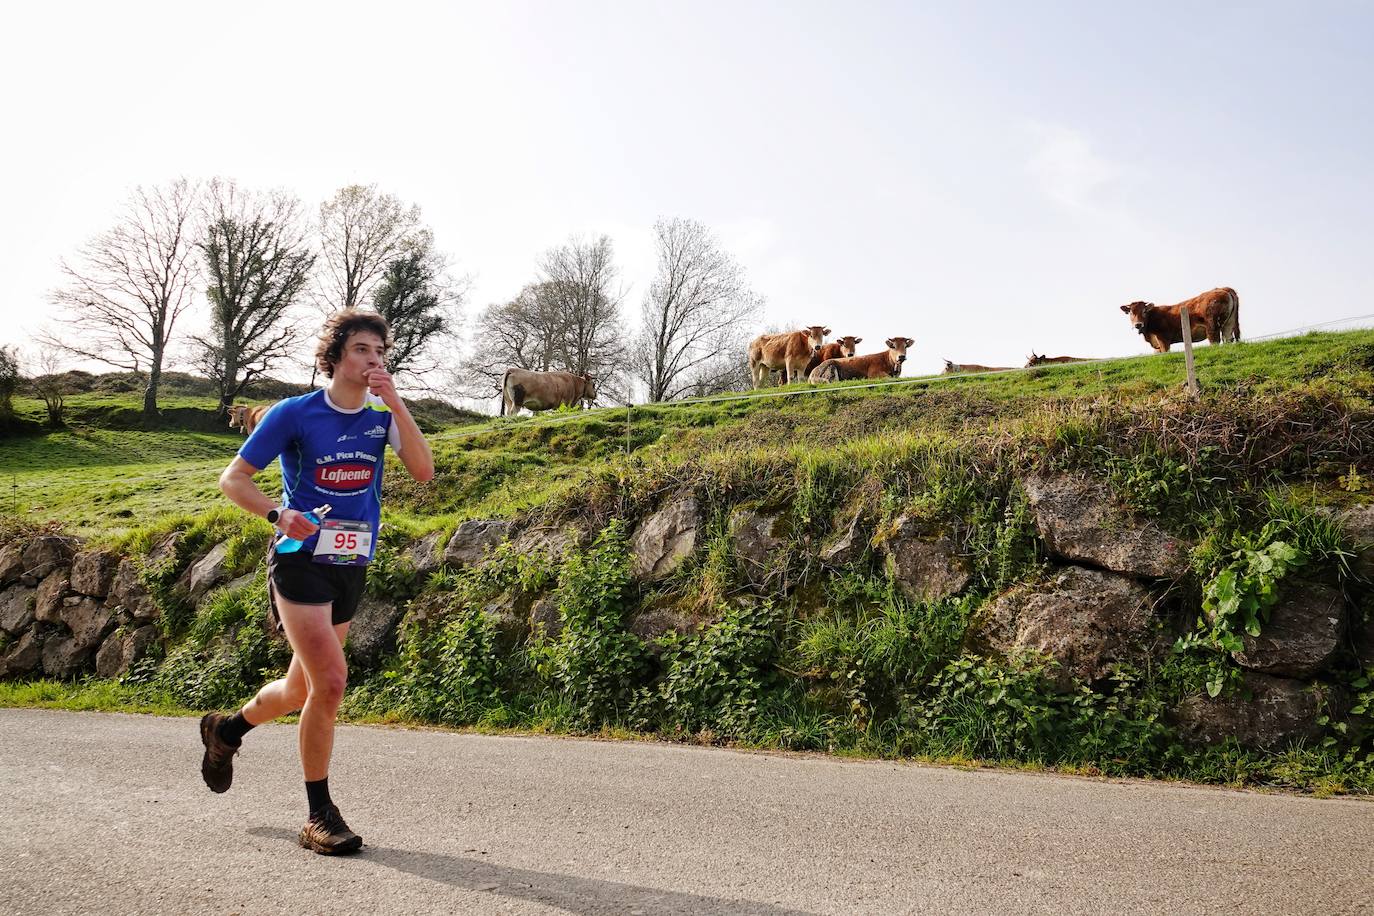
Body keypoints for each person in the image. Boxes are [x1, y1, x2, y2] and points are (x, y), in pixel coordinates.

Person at [200, 308, 434, 854]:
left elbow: (423, 471)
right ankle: (319, 815)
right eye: (361, 350)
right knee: (330, 682)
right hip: (298, 558)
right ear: (334, 356)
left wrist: (396, 402)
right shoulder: (294, 413)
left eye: (379, 352)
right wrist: (277, 514)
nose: (373, 360)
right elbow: (232, 479)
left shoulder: (382, 416)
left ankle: (227, 730)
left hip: (350, 562)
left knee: (301, 689)